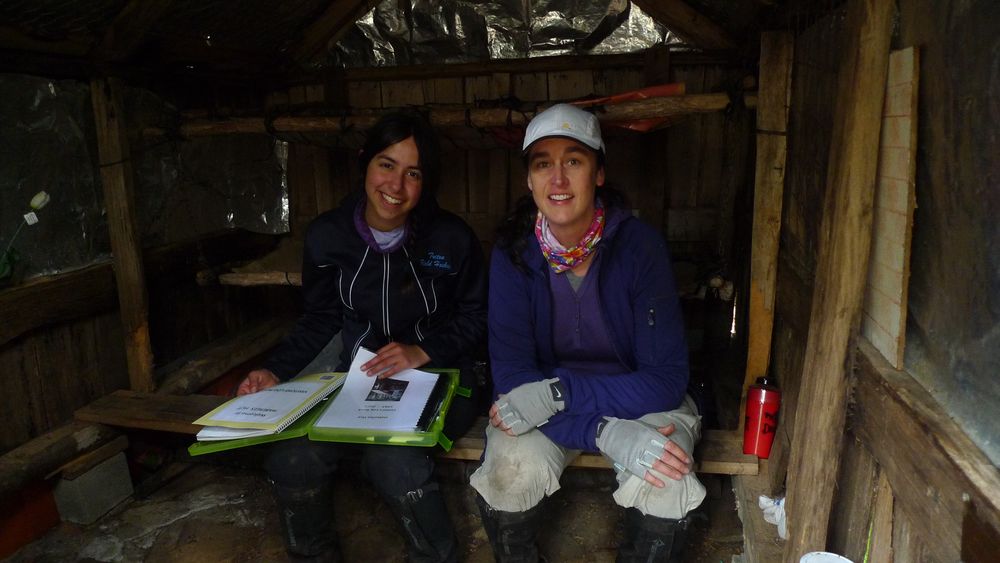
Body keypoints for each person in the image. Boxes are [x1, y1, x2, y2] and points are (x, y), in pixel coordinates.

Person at [238, 111, 487, 563]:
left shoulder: (451, 238)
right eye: (386, 165)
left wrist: (422, 350)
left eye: (413, 173)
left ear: (426, 181)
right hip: (363, 380)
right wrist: (273, 369)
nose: (396, 185)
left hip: (445, 374)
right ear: (364, 163)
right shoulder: (329, 236)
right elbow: (319, 319)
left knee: (394, 461)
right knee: (292, 456)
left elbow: (478, 318)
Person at [470, 104, 706, 562]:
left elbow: (665, 380)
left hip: (638, 403)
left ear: (598, 173)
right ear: (529, 180)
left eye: (573, 161)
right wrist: (600, 430)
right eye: (543, 164)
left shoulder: (640, 247)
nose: (558, 179)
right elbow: (517, 387)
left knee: (667, 482)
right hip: (553, 407)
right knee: (508, 473)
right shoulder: (513, 254)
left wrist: (561, 393)